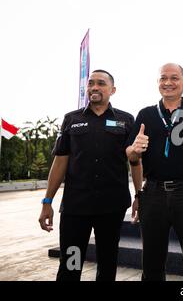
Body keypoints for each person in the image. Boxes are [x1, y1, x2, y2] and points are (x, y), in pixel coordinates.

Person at [38, 69, 142, 281]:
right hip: (76, 208)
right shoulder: (71, 119)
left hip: (111, 207)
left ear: (112, 90)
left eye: (101, 83)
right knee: (71, 263)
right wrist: (47, 200)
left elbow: (135, 161)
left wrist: (139, 195)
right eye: (91, 83)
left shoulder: (126, 120)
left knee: (107, 263)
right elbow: (59, 162)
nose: (95, 87)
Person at [126, 63, 183, 281]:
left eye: (174, 78)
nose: (168, 82)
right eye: (163, 78)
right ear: (158, 83)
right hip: (153, 194)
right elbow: (132, 157)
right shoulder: (146, 115)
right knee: (151, 262)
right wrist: (134, 150)